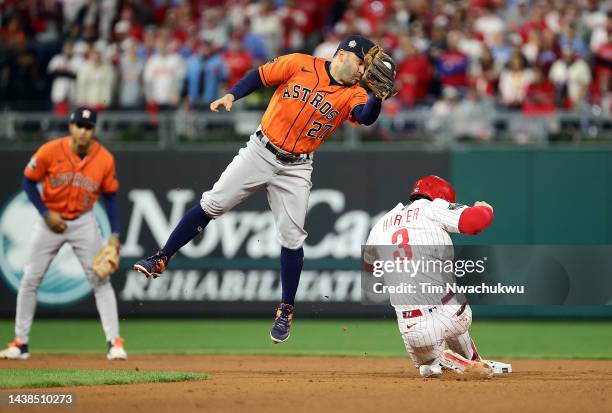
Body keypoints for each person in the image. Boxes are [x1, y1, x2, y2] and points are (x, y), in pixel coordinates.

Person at [133, 34, 389, 344]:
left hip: (296, 167)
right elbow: (260, 76)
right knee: (212, 203)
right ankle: (161, 257)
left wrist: (376, 96)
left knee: (292, 238)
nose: (365, 71)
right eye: (363, 63)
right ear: (343, 56)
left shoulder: (355, 95)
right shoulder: (300, 64)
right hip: (260, 150)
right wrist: (232, 95)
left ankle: (285, 310)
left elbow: (365, 116)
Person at [0, 107, 126, 361]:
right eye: (79, 125)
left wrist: (115, 233)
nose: (83, 131)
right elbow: (28, 181)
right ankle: (20, 343)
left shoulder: (104, 159)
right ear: (70, 126)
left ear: (94, 130)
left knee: (100, 279)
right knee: (30, 280)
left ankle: (115, 342)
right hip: (50, 222)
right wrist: (45, 213)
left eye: (88, 127)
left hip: (83, 222)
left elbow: (111, 197)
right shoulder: (50, 151)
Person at [364, 176, 494, 378]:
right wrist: (485, 209)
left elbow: (370, 265)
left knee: (427, 366)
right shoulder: (433, 207)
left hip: (413, 328)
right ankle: (472, 361)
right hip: (454, 315)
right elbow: (475, 223)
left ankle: (436, 363)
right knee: (452, 303)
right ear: (441, 197)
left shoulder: (382, 223)